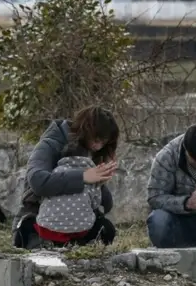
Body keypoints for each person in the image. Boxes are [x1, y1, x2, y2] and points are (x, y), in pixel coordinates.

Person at [12, 106, 120, 249]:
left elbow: (104, 205)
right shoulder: (50, 144)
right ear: (87, 130)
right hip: (38, 218)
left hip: (77, 223)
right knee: (31, 238)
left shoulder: (90, 152)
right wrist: (82, 177)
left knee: (107, 230)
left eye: (103, 142)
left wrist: (100, 182)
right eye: (97, 139)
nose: (98, 146)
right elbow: (37, 181)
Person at [34, 139, 115, 246]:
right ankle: (82, 243)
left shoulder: (53, 173)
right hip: (81, 230)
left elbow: (42, 198)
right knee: (105, 225)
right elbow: (96, 204)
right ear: (87, 157)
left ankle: (51, 243)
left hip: (49, 230)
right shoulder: (91, 175)